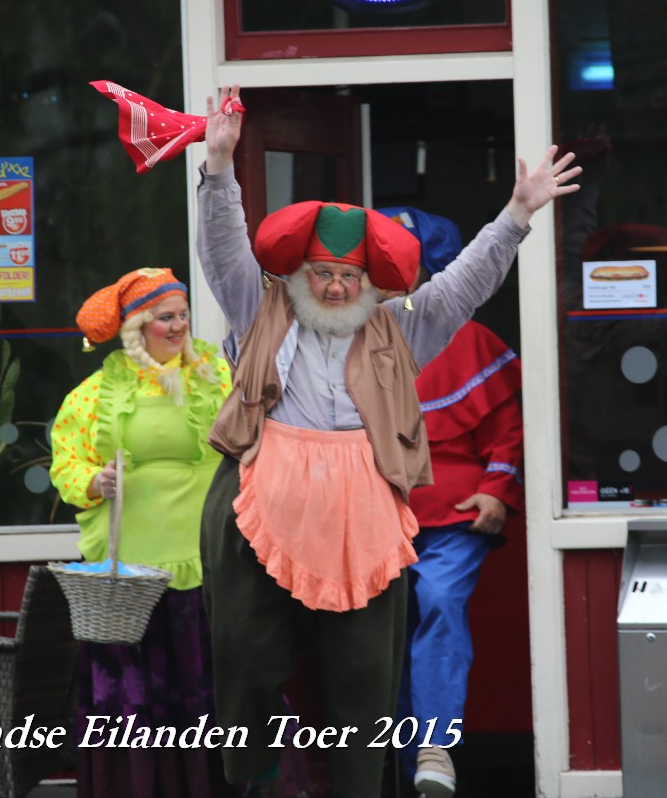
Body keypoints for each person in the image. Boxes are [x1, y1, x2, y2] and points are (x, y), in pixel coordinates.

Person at [195, 84, 580, 798]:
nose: (335, 287)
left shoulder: (403, 327)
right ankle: (250, 770)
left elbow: (465, 284)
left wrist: (518, 214)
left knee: (364, 672)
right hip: (262, 492)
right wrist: (219, 168)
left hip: (362, 507)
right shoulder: (259, 309)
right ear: (300, 273)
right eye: (323, 273)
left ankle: (361, 787)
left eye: (348, 276)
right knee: (246, 650)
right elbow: (221, 252)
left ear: (369, 279)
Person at [49, 266, 235, 798]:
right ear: (136, 328)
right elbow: (66, 464)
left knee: (206, 684)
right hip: (131, 573)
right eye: (165, 317)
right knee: (132, 692)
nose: (179, 326)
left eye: (183, 315)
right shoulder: (95, 394)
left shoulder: (217, 377)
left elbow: (252, 445)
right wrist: (96, 480)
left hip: (205, 559)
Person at [380, 206, 526, 798]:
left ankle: (435, 745)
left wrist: (496, 490)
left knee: (439, 600)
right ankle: (398, 761)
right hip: (377, 514)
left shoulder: (472, 340)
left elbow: (507, 430)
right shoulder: (350, 335)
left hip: (456, 515)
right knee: (383, 627)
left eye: (401, 258)